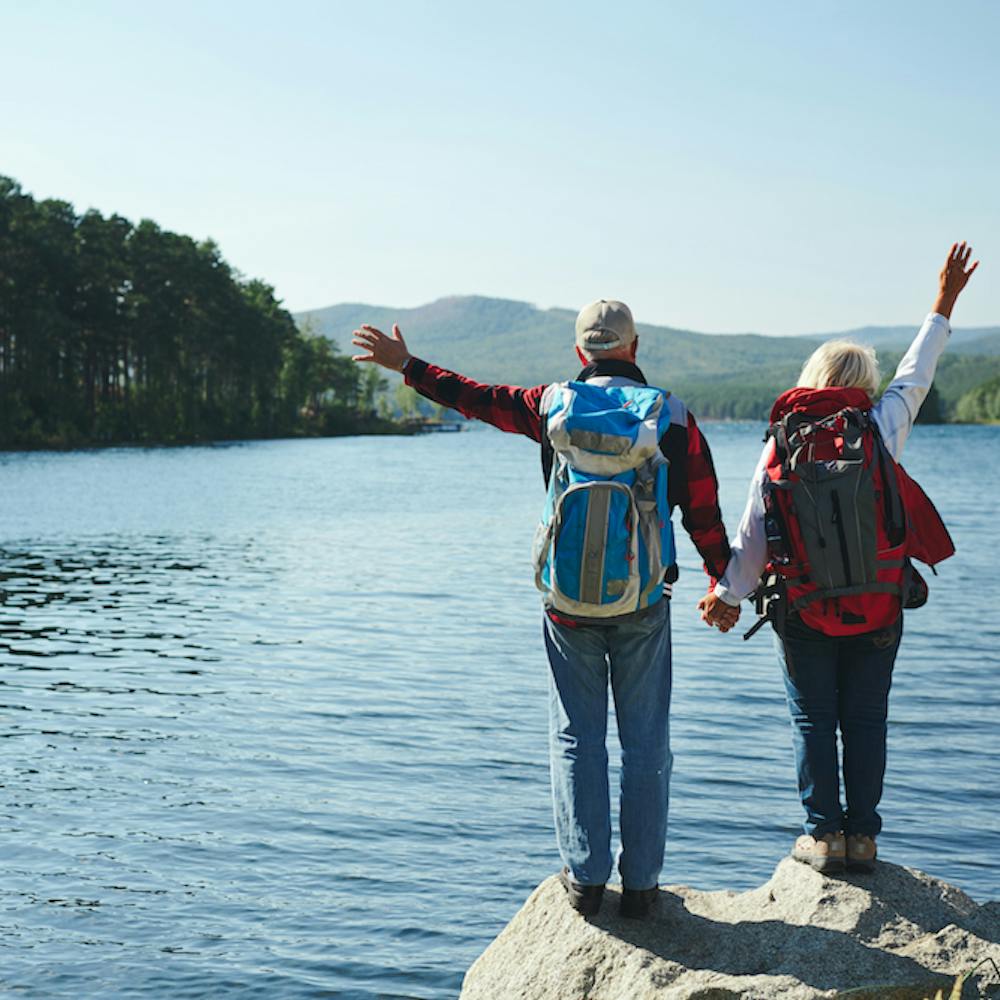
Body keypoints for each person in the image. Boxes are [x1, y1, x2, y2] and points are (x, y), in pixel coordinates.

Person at [352, 300, 734, 918]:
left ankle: (584, 880)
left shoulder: (550, 403)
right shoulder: (673, 416)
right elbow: (705, 514)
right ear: (635, 349)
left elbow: (475, 398)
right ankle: (641, 887)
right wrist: (725, 584)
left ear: (580, 353)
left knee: (576, 736)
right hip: (644, 603)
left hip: (566, 603)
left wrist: (409, 366)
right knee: (646, 743)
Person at [699, 243, 979, 874]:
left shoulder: (782, 442)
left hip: (802, 610)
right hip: (878, 606)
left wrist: (725, 596)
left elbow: (752, 533)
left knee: (813, 720)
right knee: (867, 721)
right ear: (863, 388)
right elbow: (918, 373)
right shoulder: (879, 428)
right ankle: (865, 838)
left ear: (812, 379)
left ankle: (823, 837)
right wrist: (943, 301)